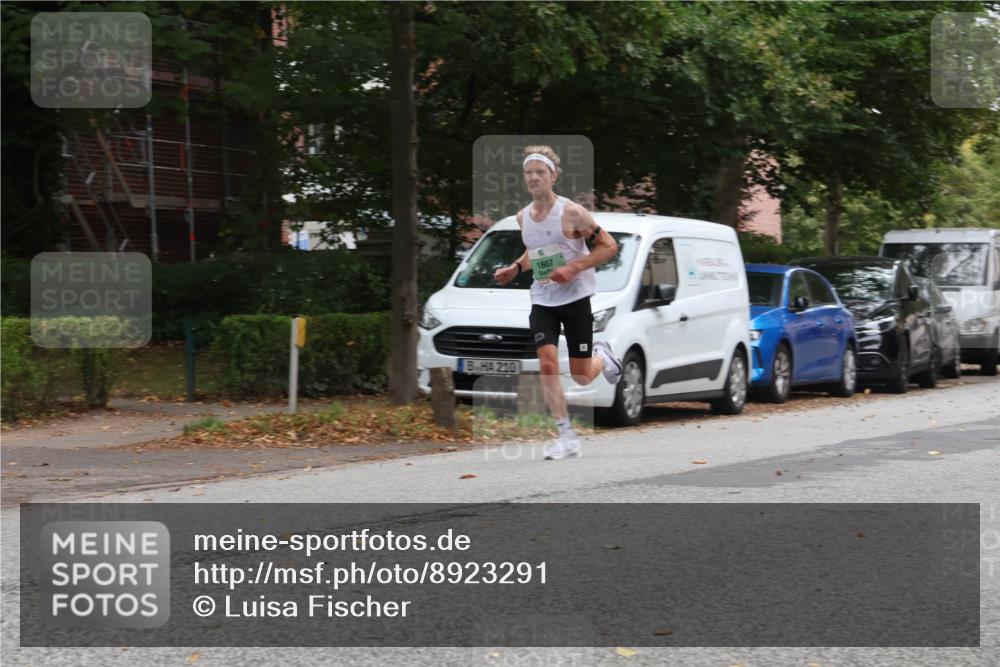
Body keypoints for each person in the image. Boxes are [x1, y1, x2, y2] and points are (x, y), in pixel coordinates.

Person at [493, 145, 622, 460]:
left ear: (554, 176)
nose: (534, 177)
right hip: (543, 300)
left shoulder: (571, 212)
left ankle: (602, 358)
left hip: (576, 299)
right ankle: (566, 436)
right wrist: (516, 267)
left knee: (580, 374)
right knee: (548, 365)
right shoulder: (522, 217)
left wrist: (574, 267)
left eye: (540, 172)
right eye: (529, 172)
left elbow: (609, 246)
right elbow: (535, 250)